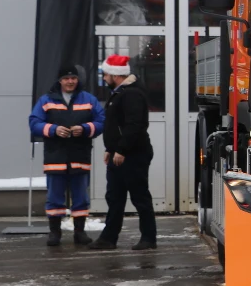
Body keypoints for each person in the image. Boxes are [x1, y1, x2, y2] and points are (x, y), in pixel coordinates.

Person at [28, 64, 104, 247]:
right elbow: (34, 122)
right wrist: (53, 130)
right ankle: (55, 233)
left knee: (81, 198)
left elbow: (101, 121)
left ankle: (80, 233)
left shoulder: (89, 100)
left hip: (80, 156)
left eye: (73, 78)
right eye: (66, 78)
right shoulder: (46, 100)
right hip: (56, 158)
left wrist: (85, 129)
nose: (70, 82)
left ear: (78, 80)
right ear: (60, 80)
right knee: (54, 198)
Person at [90, 54, 156, 250]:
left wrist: (121, 149)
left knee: (139, 196)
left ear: (115, 75)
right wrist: (110, 149)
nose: (103, 78)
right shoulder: (120, 92)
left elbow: (135, 125)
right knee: (115, 197)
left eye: (106, 74)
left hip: (133, 155)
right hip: (119, 153)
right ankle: (108, 238)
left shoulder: (131, 94)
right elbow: (116, 125)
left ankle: (148, 238)